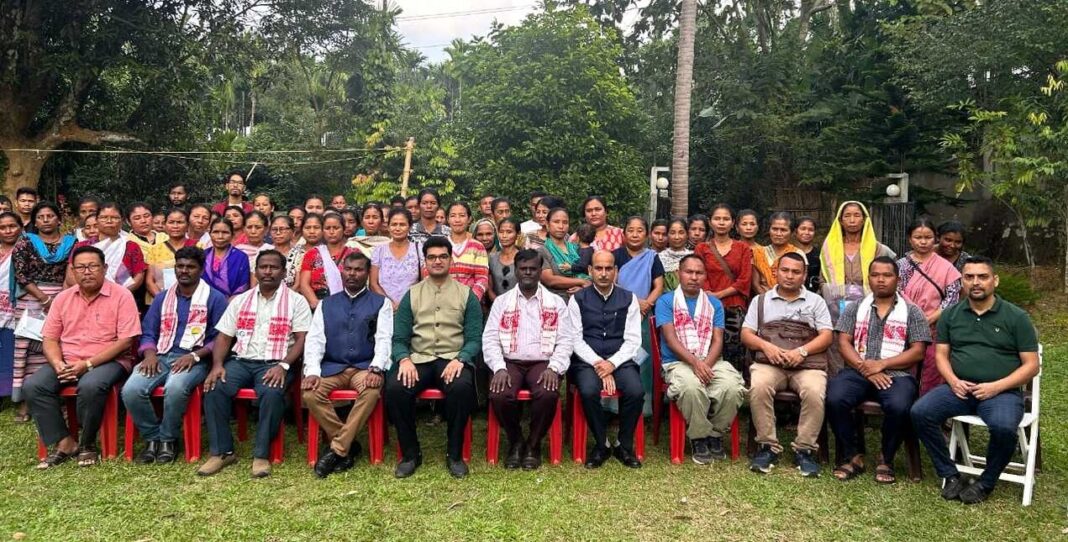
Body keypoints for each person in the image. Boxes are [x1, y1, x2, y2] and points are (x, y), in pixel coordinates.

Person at [911, 256, 1040, 505]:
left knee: (1003, 428)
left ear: (995, 280)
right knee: (920, 412)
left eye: (982, 277)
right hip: (960, 388)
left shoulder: (1016, 317)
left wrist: (996, 387)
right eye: (969, 277)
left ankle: (986, 482)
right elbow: (941, 355)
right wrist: (953, 380)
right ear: (962, 281)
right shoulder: (951, 315)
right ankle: (950, 474)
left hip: (1001, 392)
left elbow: (1031, 365)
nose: (976, 282)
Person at [198, 250, 311, 478]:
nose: (268, 271)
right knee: (214, 387)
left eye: (274, 267)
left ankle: (261, 455)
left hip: (276, 362)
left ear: (284, 272)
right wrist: (217, 364)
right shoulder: (240, 300)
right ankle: (222, 452)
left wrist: (284, 366)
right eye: (263, 267)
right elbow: (224, 337)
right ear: (256, 271)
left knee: (271, 393)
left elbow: (302, 339)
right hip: (241, 361)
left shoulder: (296, 301)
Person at [27, 245, 141, 468]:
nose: (87, 272)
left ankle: (88, 444)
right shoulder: (63, 298)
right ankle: (65, 442)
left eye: (93, 266)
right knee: (34, 386)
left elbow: (126, 340)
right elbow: (50, 338)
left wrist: (87, 364)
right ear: (72, 270)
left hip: (109, 360)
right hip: (68, 359)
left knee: (91, 385)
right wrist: (58, 363)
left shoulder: (122, 295)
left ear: (105, 268)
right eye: (80, 267)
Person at [827, 256, 930, 484]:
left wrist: (882, 364)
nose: (880, 280)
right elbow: (843, 342)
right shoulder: (855, 307)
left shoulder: (912, 311)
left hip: (898, 374)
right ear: (868, 279)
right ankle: (853, 454)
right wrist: (867, 369)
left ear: (898, 279)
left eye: (887, 275)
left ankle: (887, 456)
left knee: (899, 404)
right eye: (875, 275)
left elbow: (918, 352)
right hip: (858, 369)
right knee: (834, 397)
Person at [386, 237, 482, 479]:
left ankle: (454, 453)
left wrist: (461, 359)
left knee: (461, 387)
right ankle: (411, 454)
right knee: (396, 388)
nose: (437, 261)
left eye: (442, 256)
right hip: (418, 358)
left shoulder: (466, 295)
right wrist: (404, 359)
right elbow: (399, 337)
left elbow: (474, 338)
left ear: (451, 260)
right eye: (432, 257)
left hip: (452, 358)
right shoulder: (412, 294)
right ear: (425, 262)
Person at [123, 247, 229, 464]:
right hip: (160, 356)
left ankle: (169, 440)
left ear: (201, 269)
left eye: (190, 267)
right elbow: (149, 331)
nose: (184, 271)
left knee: (176, 388)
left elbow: (219, 337)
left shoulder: (215, 298)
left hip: (195, 359)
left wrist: (195, 356)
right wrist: (150, 355)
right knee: (131, 390)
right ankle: (153, 438)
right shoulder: (163, 298)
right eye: (180, 266)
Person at [741, 252, 833, 477]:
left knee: (814, 391)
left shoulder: (816, 301)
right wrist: (767, 347)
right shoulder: (760, 301)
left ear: (804, 276)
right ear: (776, 272)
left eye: (796, 272)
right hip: (770, 363)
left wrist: (801, 352)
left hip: (807, 364)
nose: (790, 276)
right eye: (785, 270)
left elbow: (827, 336)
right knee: (759, 385)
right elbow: (746, 334)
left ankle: (805, 450)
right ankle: (767, 446)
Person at [302, 252, 393, 478]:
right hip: (334, 366)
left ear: (366, 273)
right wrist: (312, 371)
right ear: (342, 271)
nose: (352, 274)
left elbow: (384, 339)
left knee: (372, 390)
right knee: (311, 394)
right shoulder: (326, 304)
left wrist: (376, 367)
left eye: (359, 270)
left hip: (364, 367)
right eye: (348, 269)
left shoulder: (381, 303)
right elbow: (315, 340)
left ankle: (337, 449)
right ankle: (348, 445)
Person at [483, 249, 574, 469]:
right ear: (516, 271)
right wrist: (499, 368)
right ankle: (515, 441)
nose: (528, 273)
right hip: (510, 362)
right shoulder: (502, 302)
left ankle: (533, 444)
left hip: (542, 362)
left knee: (547, 392)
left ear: (540, 271)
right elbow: (490, 339)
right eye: (523, 269)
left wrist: (554, 368)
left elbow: (565, 341)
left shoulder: (555, 302)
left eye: (533, 269)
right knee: (500, 393)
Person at [654, 255, 746, 464]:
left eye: (699, 273)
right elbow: (670, 338)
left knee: (732, 387)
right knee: (690, 386)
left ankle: (714, 434)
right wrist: (696, 364)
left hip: (712, 359)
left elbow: (718, 339)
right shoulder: (666, 301)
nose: (694, 277)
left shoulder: (714, 303)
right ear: (679, 273)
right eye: (689, 272)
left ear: (705, 276)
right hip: (678, 361)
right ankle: (699, 437)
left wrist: (705, 364)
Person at [567, 251, 644, 469]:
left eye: (608, 268)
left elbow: (633, 340)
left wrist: (612, 364)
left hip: (620, 359)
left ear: (616, 272)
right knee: (589, 391)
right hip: (586, 360)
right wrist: (599, 364)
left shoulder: (629, 299)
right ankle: (602, 443)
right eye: (598, 268)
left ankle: (623, 444)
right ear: (590, 271)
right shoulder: (577, 299)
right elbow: (575, 339)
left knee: (636, 391)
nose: (603, 273)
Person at [11, 203, 76, 420]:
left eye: (50, 216)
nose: (46, 220)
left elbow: (72, 271)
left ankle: (60, 398)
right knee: (27, 347)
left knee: (59, 344)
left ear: (59, 219)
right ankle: (27, 400)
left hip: (64, 295)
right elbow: (21, 275)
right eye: (41, 217)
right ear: (35, 221)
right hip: (31, 298)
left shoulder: (71, 243)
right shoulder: (25, 243)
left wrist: (59, 299)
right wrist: (44, 298)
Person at [897, 218, 961, 395]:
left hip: (936, 327)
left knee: (933, 368)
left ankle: (929, 410)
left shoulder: (946, 267)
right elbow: (897, 293)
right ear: (910, 239)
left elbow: (952, 297)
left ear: (936, 239)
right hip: (905, 324)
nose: (923, 242)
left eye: (928, 237)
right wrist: (916, 318)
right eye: (918, 237)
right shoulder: (900, 266)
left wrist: (930, 318)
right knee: (904, 367)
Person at [695, 204, 752, 369]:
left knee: (734, 349)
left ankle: (734, 386)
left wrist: (719, 294)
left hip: (734, 306)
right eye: (717, 218)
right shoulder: (702, 248)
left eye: (726, 219)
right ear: (710, 222)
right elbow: (699, 275)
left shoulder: (743, 248)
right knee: (707, 346)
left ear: (733, 222)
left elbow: (744, 280)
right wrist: (710, 295)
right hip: (707, 306)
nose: (721, 222)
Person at [820, 201, 895, 322]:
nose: (852, 220)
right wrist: (835, 293)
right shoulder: (830, 248)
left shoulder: (878, 249)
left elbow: (891, 276)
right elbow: (823, 278)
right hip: (835, 308)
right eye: (847, 216)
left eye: (857, 215)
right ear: (840, 220)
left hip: (871, 306)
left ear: (864, 219)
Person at [299, 213, 355, 309]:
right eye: (327, 228)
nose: (332, 232)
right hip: (319, 302)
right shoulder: (312, 254)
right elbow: (304, 284)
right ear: (322, 230)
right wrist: (316, 304)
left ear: (344, 229)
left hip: (348, 302)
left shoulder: (353, 254)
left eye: (336, 228)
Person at [370, 208, 422, 310]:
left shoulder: (419, 249)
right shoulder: (379, 251)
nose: (397, 228)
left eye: (402, 224)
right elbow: (373, 283)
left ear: (410, 227)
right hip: (384, 307)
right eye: (394, 224)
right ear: (388, 227)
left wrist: (404, 304)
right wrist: (389, 304)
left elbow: (424, 282)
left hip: (412, 307)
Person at [145, 208, 198, 299]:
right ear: (165, 225)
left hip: (192, 299)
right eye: (171, 222)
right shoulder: (154, 250)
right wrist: (164, 300)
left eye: (180, 222)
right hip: (160, 299)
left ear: (188, 225)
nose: (175, 226)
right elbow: (150, 281)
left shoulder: (199, 246)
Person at [538, 208, 590, 300]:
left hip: (583, 300)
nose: (561, 226)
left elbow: (591, 272)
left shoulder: (576, 248)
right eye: (556, 222)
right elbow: (549, 280)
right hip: (555, 301)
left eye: (565, 222)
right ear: (547, 224)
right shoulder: (542, 251)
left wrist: (582, 288)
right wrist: (581, 281)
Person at [752, 212, 806, 295]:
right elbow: (756, 284)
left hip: (791, 300)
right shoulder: (758, 253)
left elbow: (800, 282)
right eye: (775, 229)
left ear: (792, 232)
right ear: (769, 230)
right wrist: (768, 299)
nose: (778, 234)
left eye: (783, 230)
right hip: (764, 300)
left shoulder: (798, 254)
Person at [444, 203, 490, 302]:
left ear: (469, 219)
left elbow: (482, 279)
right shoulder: (440, 245)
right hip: (442, 305)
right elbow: (429, 276)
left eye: (462, 216)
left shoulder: (478, 247)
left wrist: (470, 301)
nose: (457, 220)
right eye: (453, 216)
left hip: (470, 304)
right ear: (447, 219)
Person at [0, 212, 24, 402]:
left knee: (12, 350)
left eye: (12, 226)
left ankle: (13, 392)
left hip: (17, 307)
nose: (8, 231)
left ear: (20, 227)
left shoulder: (26, 249)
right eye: (2, 227)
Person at [201, 218, 250, 300]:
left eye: (225, 232)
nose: (220, 236)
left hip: (233, 304)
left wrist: (229, 304)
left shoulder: (241, 257)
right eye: (216, 232)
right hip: (203, 303)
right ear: (210, 234)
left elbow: (243, 285)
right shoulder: (202, 255)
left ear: (232, 235)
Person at [488, 218, 521, 301]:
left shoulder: (524, 258)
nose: (504, 236)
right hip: (495, 306)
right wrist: (497, 303)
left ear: (518, 234)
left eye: (509, 232)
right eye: (501, 232)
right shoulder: (492, 258)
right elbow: (489, 287)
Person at [285, 213, 321, 290]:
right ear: (302, 230)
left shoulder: (327, 252)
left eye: (316, 228)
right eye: (307, 228)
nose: (312, 231)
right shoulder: (294, 252)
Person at [235, 211, 273, 279]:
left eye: (258, 227)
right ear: (244, 229)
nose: (253, 231)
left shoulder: (272, 250)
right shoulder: (237, 252)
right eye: (249, 227)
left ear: (266, 229)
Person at [659, 218, 692, 291]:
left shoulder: (693, 257)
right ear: (667, 235)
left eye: (681, 232)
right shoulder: (658, 258)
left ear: (687, 234)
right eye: (672, 233)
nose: (677, 237)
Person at [268, 216, 299, 289]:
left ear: (293, 232)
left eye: (282, 229)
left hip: (292, 297)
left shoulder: (300, 254)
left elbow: (298, 285)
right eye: (274, 229)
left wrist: (283, 298)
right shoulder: (263, 253)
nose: (278, 233)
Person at [794, 216, 822, 293]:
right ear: (796, 231)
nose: (807, 232)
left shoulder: (820, 255)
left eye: (811, 230)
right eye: (803, 229)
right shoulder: (789, 253)